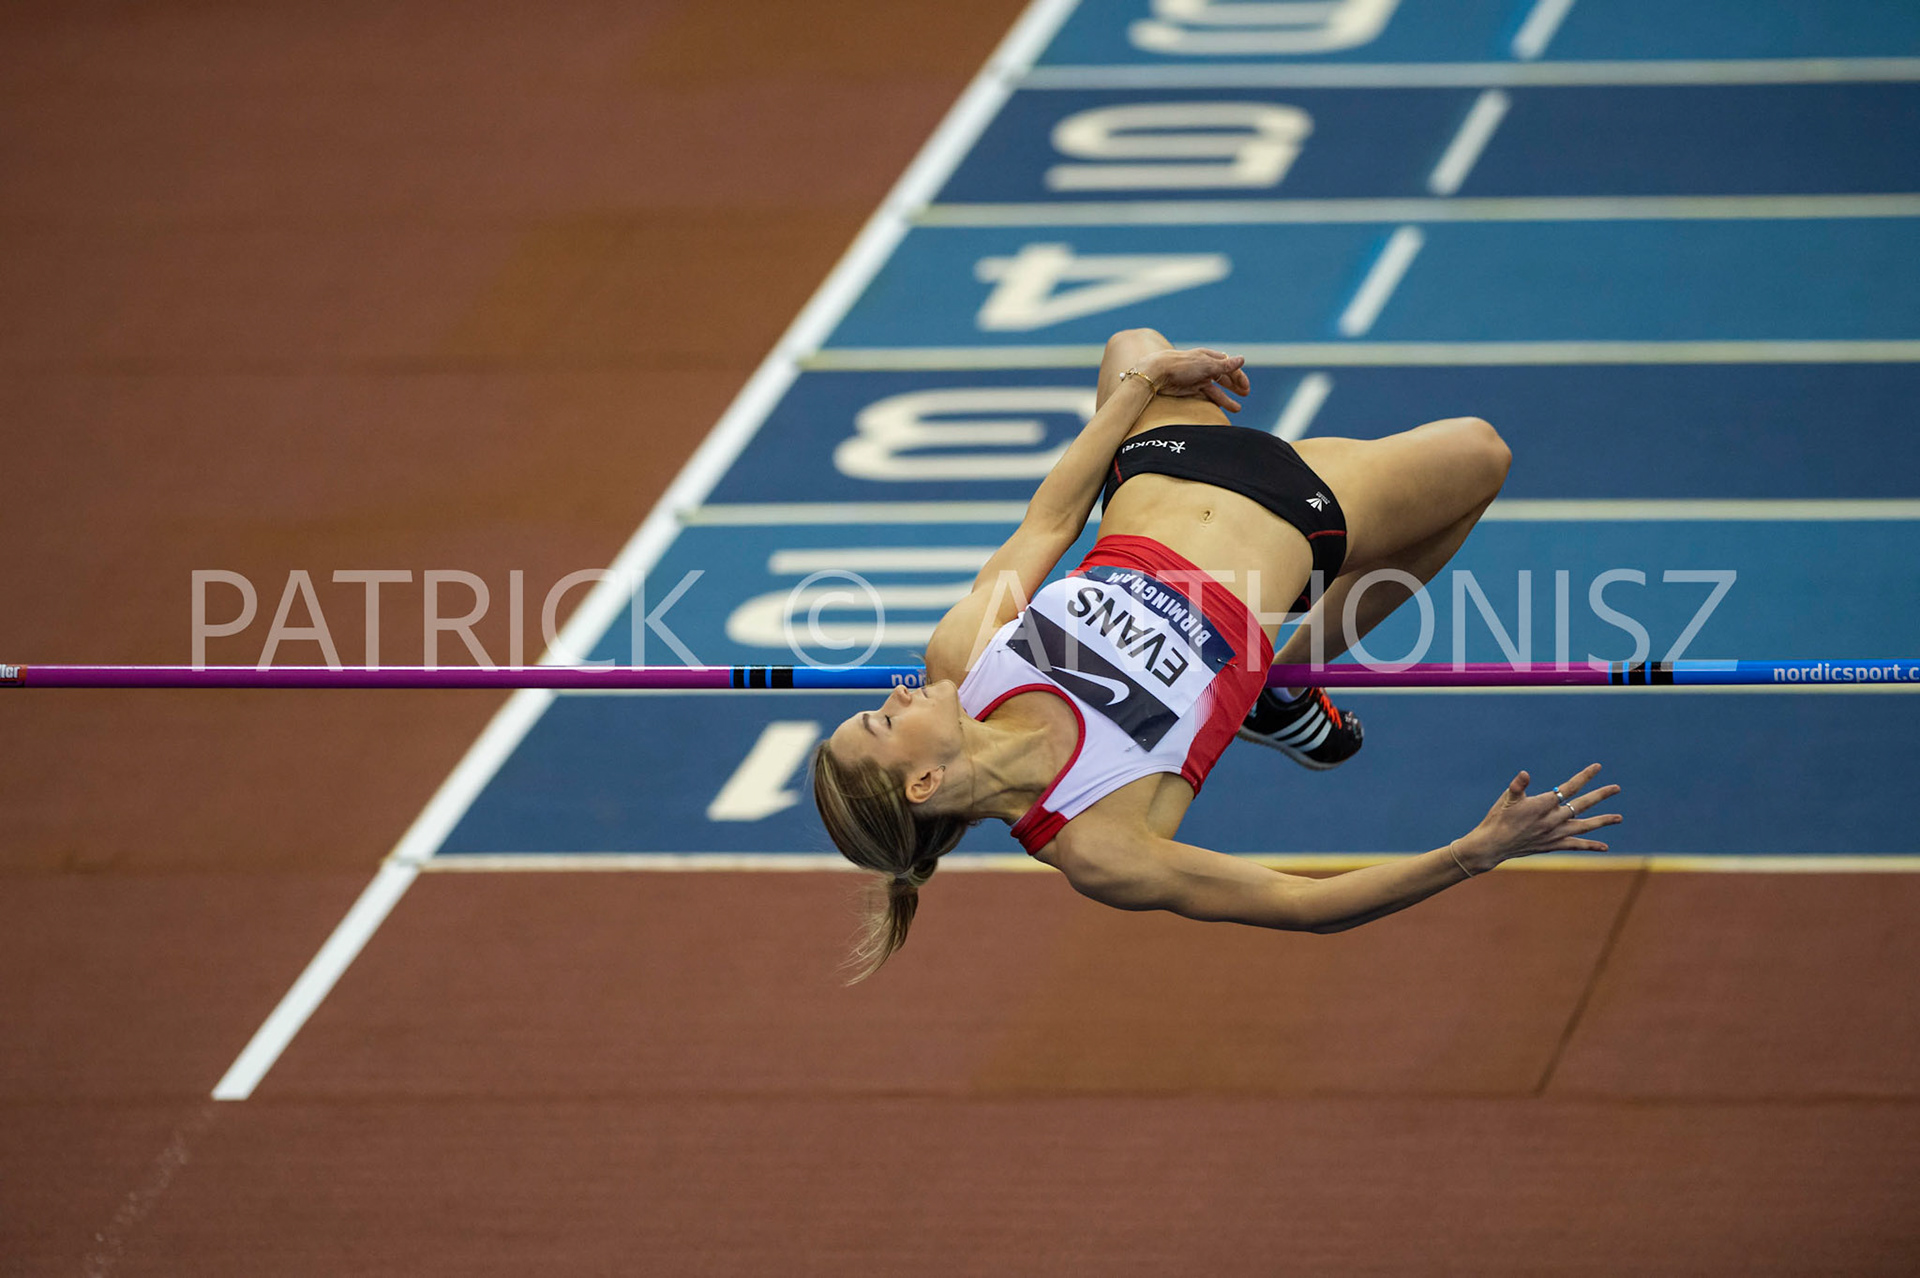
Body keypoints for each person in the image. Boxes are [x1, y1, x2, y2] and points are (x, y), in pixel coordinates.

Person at [812, 329, 1622, 980]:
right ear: (924, 782)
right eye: (883, 722)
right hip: (1300, 517)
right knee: (1481, 452)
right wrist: (1469, 856)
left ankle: (1275, 695)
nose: (899, 695)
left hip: (1166, 470)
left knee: (1134, 343)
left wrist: (1143, 384)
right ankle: (1287, 678)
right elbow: (1304, 905)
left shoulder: (963, 651)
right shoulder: (1099, 843)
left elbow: (1049, 524)